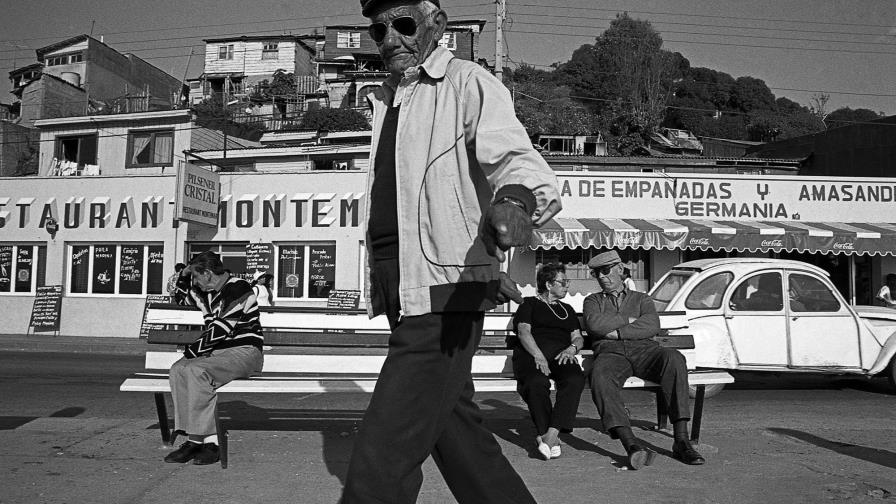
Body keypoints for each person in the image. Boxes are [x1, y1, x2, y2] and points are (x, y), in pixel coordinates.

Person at [341, 0, 561, 501]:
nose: (390, 38)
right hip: (408, 294)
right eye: (378, 31)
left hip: (443, 295)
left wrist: (514, 201)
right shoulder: (390, 100)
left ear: (436, 25)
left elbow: (516, 158)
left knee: (382, 459)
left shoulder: (466, 83)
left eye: (402, 24)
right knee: (459, 437)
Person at [582, 250, 705, 470]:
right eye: (596, 273)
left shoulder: (641, 298)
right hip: (611, 353)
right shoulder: (592, 301)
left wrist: (618, 331)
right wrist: (629, 321)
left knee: (674, 358)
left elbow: (651, 325)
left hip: (645, 350)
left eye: (605, 270)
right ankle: (631, 445)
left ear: (620, 269)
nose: (601, 276)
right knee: (600, 375)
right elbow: (594, 325)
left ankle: (681, 440)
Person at [163, 251, 264, 465]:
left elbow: (222, 327)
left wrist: (191, 353)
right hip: (216, 354)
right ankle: (192, 438)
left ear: (208, 273)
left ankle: (210, 443)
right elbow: (180, 297)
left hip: (245, 352)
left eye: (197, 277)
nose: (195, 283)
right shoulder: (204, 292)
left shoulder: (239, 287)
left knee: (195, 369)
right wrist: (184, 273)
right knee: (177, 369)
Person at [511, 263, 585, 460]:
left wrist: (572, 348)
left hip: (562, 354)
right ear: (549, 284)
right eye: (563, 282)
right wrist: (539, 355)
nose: (567, 286)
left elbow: (578, 337)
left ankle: (550, 435)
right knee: (536, 382)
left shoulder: (567, 309)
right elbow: (523, 332)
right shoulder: (529, 304)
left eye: (567, 281)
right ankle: (549, 436)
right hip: (531, 353)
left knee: (575, 380)